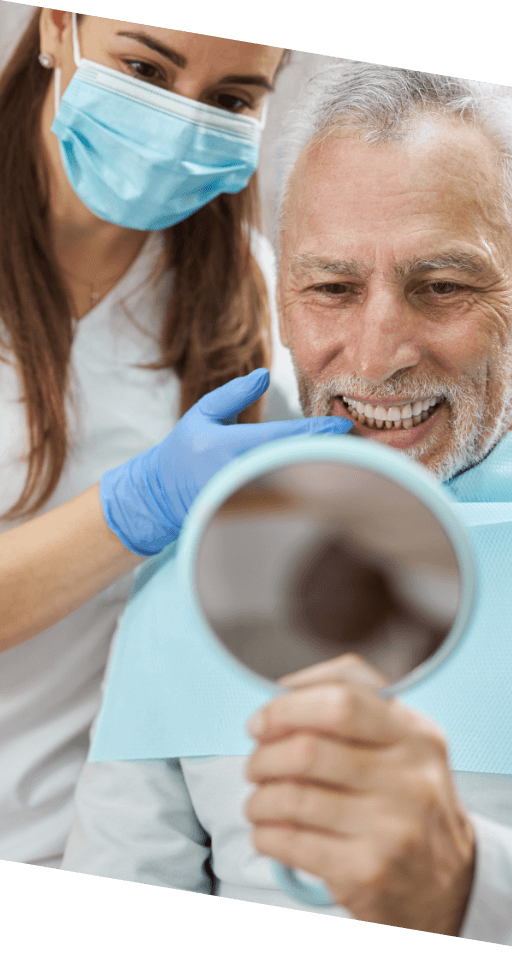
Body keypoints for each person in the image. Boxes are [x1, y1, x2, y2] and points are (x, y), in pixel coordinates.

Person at [59, 65, 512, 950]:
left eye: (443, 286)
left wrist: (467, 883)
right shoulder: (191, 579)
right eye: (332, 289)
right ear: (283, 302)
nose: (376, 355)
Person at [0, 12, 352, 870]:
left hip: (109, 839)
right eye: (147, 71)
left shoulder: (251, 295)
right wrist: (138, 505)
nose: (182, 122)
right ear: (56, 27)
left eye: (231, 97)